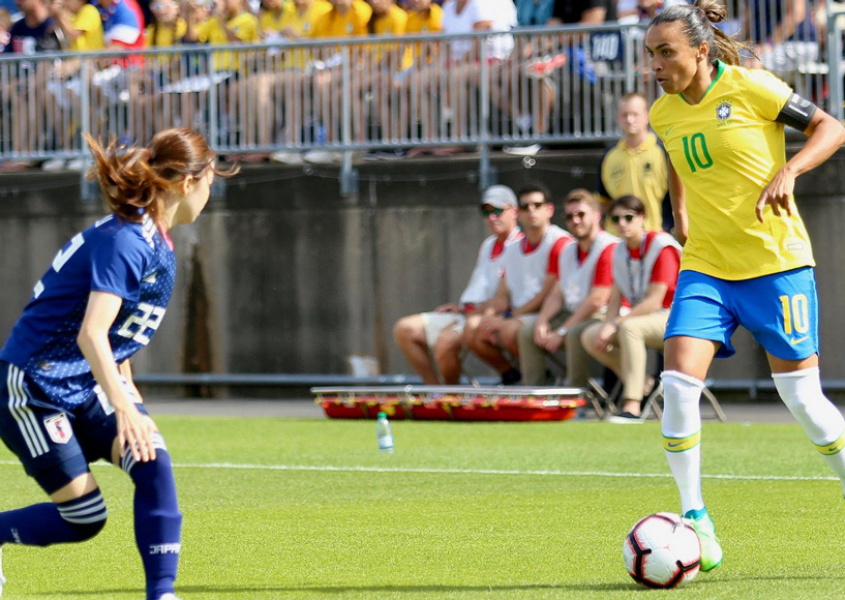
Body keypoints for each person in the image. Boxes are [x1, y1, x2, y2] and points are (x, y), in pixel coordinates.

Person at [645, 0, 845, 573]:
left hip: (776, 263)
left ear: (700, 51)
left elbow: (832, 127)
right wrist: (680, 211)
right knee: (678, 384)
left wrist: (792, 168)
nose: (657, 65)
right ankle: (697, 521)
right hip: (706, 266)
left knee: (803, 401)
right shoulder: (663, 113)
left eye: (667, 53)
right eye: (651, 54)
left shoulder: (753, 88)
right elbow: (680, 157)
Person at [0, 128, 236, 600]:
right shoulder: (129, 240)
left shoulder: (156, 239)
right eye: (211, 180)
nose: (212, 192)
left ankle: (162, 594)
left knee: (152, 460)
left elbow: (113, 335)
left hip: (85, 384)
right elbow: (92, 331)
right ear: (188, 182)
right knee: (84, 519)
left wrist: (125, 389)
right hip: (35, 389)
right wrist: (125, 409)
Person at [393, 185, 522, 384]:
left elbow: (508, 298)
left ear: (514, 211)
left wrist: (475, 312)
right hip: (467, 315)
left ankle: (451, 396)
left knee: (445, 342)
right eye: (486, 212)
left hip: (490, 319)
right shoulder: (488, 245)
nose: (492, 217)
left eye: (497, 210)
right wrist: (461, 309)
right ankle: (435, 391)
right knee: (404, 329)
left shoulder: (521, 246)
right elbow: (482, 287)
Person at [581, 195, 681, 423]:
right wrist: (607, 325)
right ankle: (646, 383)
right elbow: (615, 297)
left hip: (674, 316)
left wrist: (616, 324)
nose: (622, 224)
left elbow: (655, 301)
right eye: (616, 219)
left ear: (642, 218)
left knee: (630, 328)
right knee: (590, 336)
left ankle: (633, 406)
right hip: (640, 318)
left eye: (628, 217)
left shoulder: (661, 246)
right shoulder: (619, 251)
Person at [468, 182, 571, 385]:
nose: (531, 211)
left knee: (508, 330)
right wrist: (488, 318)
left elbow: (549, 294)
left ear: (549, 209)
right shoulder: (512, 247)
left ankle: (541, 379)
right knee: (474, 328)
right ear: (518, 212)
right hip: (522, 315)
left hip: (555, 313)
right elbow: (502, 294)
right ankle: (514, 377)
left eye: (537, 205)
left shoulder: (560, 242)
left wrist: (509, 317)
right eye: (525, 206)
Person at [527, 188, 617, 387]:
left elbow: (597, 299)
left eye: (581, 214)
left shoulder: (609, 247)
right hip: (575, 312)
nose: (575, 221)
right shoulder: (567, 250)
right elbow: (557, 293)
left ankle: (577, 395)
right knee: (528, 330)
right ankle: (534, 391)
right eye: (569, 216)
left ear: (597, 216)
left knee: (574, 332)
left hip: (605, 314)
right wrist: (542, 321)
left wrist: (561, 331)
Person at [597, 92, 670, 235]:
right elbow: (603, 201)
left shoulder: (663, 152)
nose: (630, 120)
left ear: (646, 116)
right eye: (625, 115)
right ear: (618, 118)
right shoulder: (609, 155)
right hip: (617, 238)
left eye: (635, 114)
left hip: (653, 235)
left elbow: (676, 198)